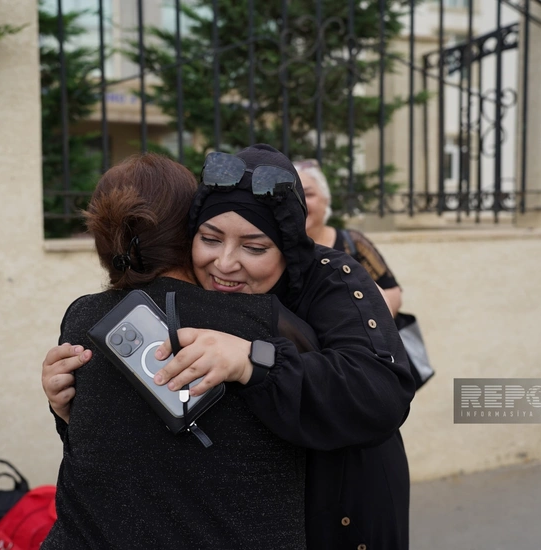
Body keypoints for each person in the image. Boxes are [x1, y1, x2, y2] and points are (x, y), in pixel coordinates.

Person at [44, 145, 414, 549]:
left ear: (288, 247)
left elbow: (382, 393)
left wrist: (253, 360)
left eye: (255, 247)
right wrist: (73, 405)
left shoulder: (333, 280)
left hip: (346, 510)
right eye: (209, 238)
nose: (224, 263)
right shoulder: (189, 305)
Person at [293, 158, 402, 316]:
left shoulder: (352, 242)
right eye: (294, 195)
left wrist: (369, 330)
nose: (301, 202)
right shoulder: (276, 247)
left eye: (308, 194)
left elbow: (391, 291)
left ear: (326, 200)